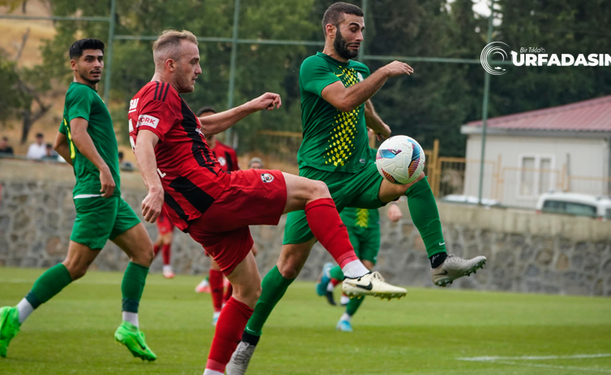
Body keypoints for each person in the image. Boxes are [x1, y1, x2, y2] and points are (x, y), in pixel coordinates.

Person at [226, 4, 487, 373]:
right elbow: (345, 99)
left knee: (414, 176)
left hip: (362, 171)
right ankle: (246, 343)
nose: (360, 36)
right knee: (287, 266)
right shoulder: (313, 67)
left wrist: (384, 132)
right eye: (353, 29)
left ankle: (440, 261)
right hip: (317, 183)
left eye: (362, 29)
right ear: (331, 30)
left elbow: (361, 107)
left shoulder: (359, 71)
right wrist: (385, 70)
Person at [128, 29, 405, 375]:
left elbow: (201, 126)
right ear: (170, 64)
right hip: (215, 190)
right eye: (193, 62)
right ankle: (356, 272)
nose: (199, 69)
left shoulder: (157, 99)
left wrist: (250, 106)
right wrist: (153, 188)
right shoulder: (157, 94)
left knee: (247, 291)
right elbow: (143, 142)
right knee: (316, 190)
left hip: (196, 216)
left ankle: (215, 373)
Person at [0, 38, 157, 362]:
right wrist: (100, 169)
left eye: (99, 58)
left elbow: (59, 142)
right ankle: (16, 314)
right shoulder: (81, 93)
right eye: (88, 59)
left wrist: (90, 171)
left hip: (104, 192)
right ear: (74, 65)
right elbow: (78, 134)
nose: (96, 64)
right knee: (75, 267)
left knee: (143, 252)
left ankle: (129, 326)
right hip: (99, 194)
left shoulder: (83, 95)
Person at [318, 202, 403, 332]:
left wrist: (393, 203)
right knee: (354, 268)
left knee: (366, 274)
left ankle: (345, 318)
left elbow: (392, 183)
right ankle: (330, 274)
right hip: (347, 222)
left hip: (372, 226)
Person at [193, 106, 240, 327]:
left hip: (231, 210)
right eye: (205, 121)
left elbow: (237, 179)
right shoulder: (193, 148)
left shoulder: (228, 153)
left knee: (236, 265)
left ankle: (226, 306)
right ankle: (217, 310)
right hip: (208, 214)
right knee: (216, 264)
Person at [153, 207, 175, 278]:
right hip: (163, 215)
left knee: (160, 241)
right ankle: (166, 268)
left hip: (171, 215)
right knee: (167, 239)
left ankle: (144, 262)